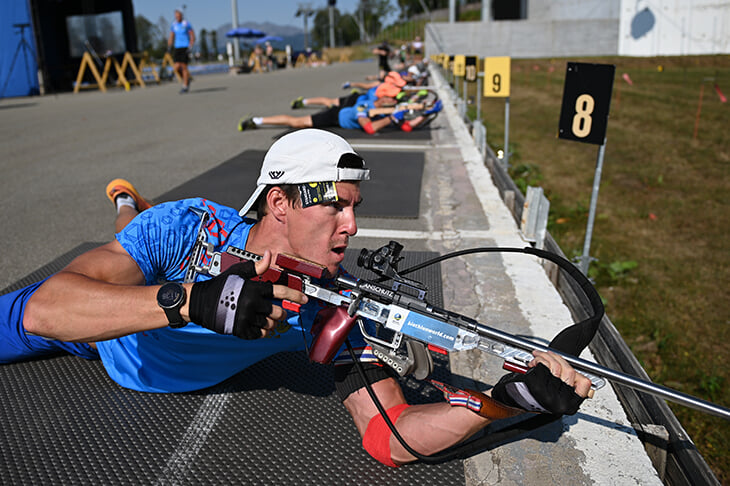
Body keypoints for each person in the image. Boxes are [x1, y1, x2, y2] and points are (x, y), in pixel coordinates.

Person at [0, 130, 591, 467]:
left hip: (146, 343)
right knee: (127, 233)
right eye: (335, 203)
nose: (352, 225)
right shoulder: (188, 228)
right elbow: (47, 308)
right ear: (279, 204)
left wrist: (501, 403)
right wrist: (196, 303)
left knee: (130, 231)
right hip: (103, 337)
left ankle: (128, 201)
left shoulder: (330, 303)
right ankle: (128, 203)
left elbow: (391, 435)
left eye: (354, 206)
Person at [238, 95, 443, 135]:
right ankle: (256, 120)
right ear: (381, 101)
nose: (393, 103)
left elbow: (408, 126)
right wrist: (391, 118)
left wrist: (426, 114)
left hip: (346, 116)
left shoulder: (383, 110)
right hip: (335, 116)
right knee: (298, 122)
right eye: (390, 101)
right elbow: (370, 129)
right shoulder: (365, 106)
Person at [168, 9, 195, 93]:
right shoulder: (174, 25)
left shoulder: (186, 24)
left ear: (181, 16)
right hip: (177, 47)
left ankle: (185, 86)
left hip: (185, 47)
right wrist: (169, 46)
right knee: (176, 67)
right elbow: (171, 36)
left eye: (179, 16)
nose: (178, 17)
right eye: (176, 16)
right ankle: (186, 79)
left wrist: (190, 45)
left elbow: (192, 35)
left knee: (183, 66)